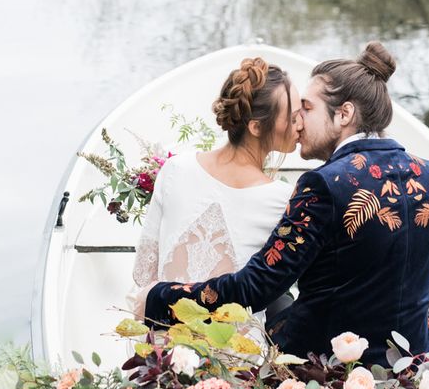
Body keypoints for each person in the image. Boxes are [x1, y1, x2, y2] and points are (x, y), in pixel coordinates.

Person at [144, 42, 429, 366]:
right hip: (414, 365)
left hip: (330, 369)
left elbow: (255, 288)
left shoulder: (324, 185)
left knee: (278, 304)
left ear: (344, 113)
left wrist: (160, 299)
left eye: (307, 107)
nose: (299, 121)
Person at [129, 57, 302, 323]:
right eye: (292, 117)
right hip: (236, 359)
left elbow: (144, 273)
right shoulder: (281, 199)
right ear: (256, 127)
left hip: (162, 349)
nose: (300, 123)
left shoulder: (176, 168)